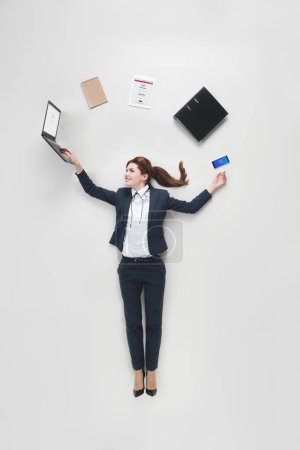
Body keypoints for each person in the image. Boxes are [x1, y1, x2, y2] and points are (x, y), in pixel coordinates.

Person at [61, 147, 227, 397]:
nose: (125, 174)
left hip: (153, 268)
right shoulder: (121, 196)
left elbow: (191, 207)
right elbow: (92, 189)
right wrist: (77, 163)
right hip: (127, 267)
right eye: (126, 170)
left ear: (144, 175)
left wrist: (212, 186)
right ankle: (138, 370)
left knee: (154, 322)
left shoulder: (161, 197)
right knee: (132, 323)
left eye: (131, 170)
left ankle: (153, 371)